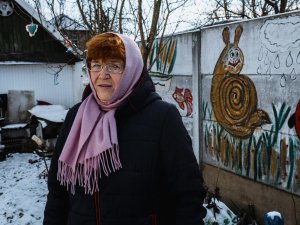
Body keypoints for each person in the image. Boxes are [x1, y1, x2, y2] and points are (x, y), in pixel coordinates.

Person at [43, 32, 207, 225]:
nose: (103, 74)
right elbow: (58, 190)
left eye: (114, 65)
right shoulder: (76, 116)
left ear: (131, 70)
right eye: (96, 65)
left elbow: (188, 196)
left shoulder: (163, 117)